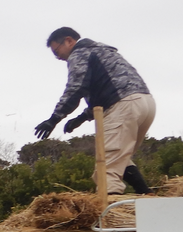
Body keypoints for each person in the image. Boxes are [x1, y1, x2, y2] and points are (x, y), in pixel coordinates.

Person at [34, 27, 156, 195]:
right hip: (145, 103)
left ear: (69, 41)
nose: (58, 57)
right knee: (119, 158)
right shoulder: (103, 51)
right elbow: (107, 89)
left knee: (106, 168)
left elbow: (76, 88)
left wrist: (54, 119)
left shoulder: (80, 53)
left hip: (123, 106)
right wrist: (82, 118)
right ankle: (147, 195)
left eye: (57, 51)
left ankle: (113, 216)